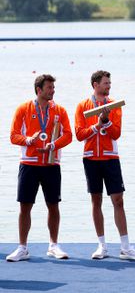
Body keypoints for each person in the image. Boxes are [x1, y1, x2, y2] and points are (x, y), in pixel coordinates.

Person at [74, 70, 135, 261]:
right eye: (106, 83)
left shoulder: (114, 105)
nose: (109, 86)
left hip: (110, 157)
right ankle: (102, 246)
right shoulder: (83, 106)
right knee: (96, 201)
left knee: (118, 201)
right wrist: (98, 125)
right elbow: (79, 135)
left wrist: (105, 122)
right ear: (95, 85)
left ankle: (125, 247)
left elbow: (116, 134)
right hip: (90, 158)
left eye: (110, 83)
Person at [7, 74, 73, 262]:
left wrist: (53, 145)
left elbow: (68, 135)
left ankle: (53, 245)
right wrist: (28, 140)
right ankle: (22, 248)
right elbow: (13, 135)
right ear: (39, 90)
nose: (53, 91)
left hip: (51, 164)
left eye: (53, 87)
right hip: (28, 164)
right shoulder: (23, 109)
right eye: (49, 88)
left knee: (53, 205)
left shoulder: (59, 110)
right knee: (25, 206)